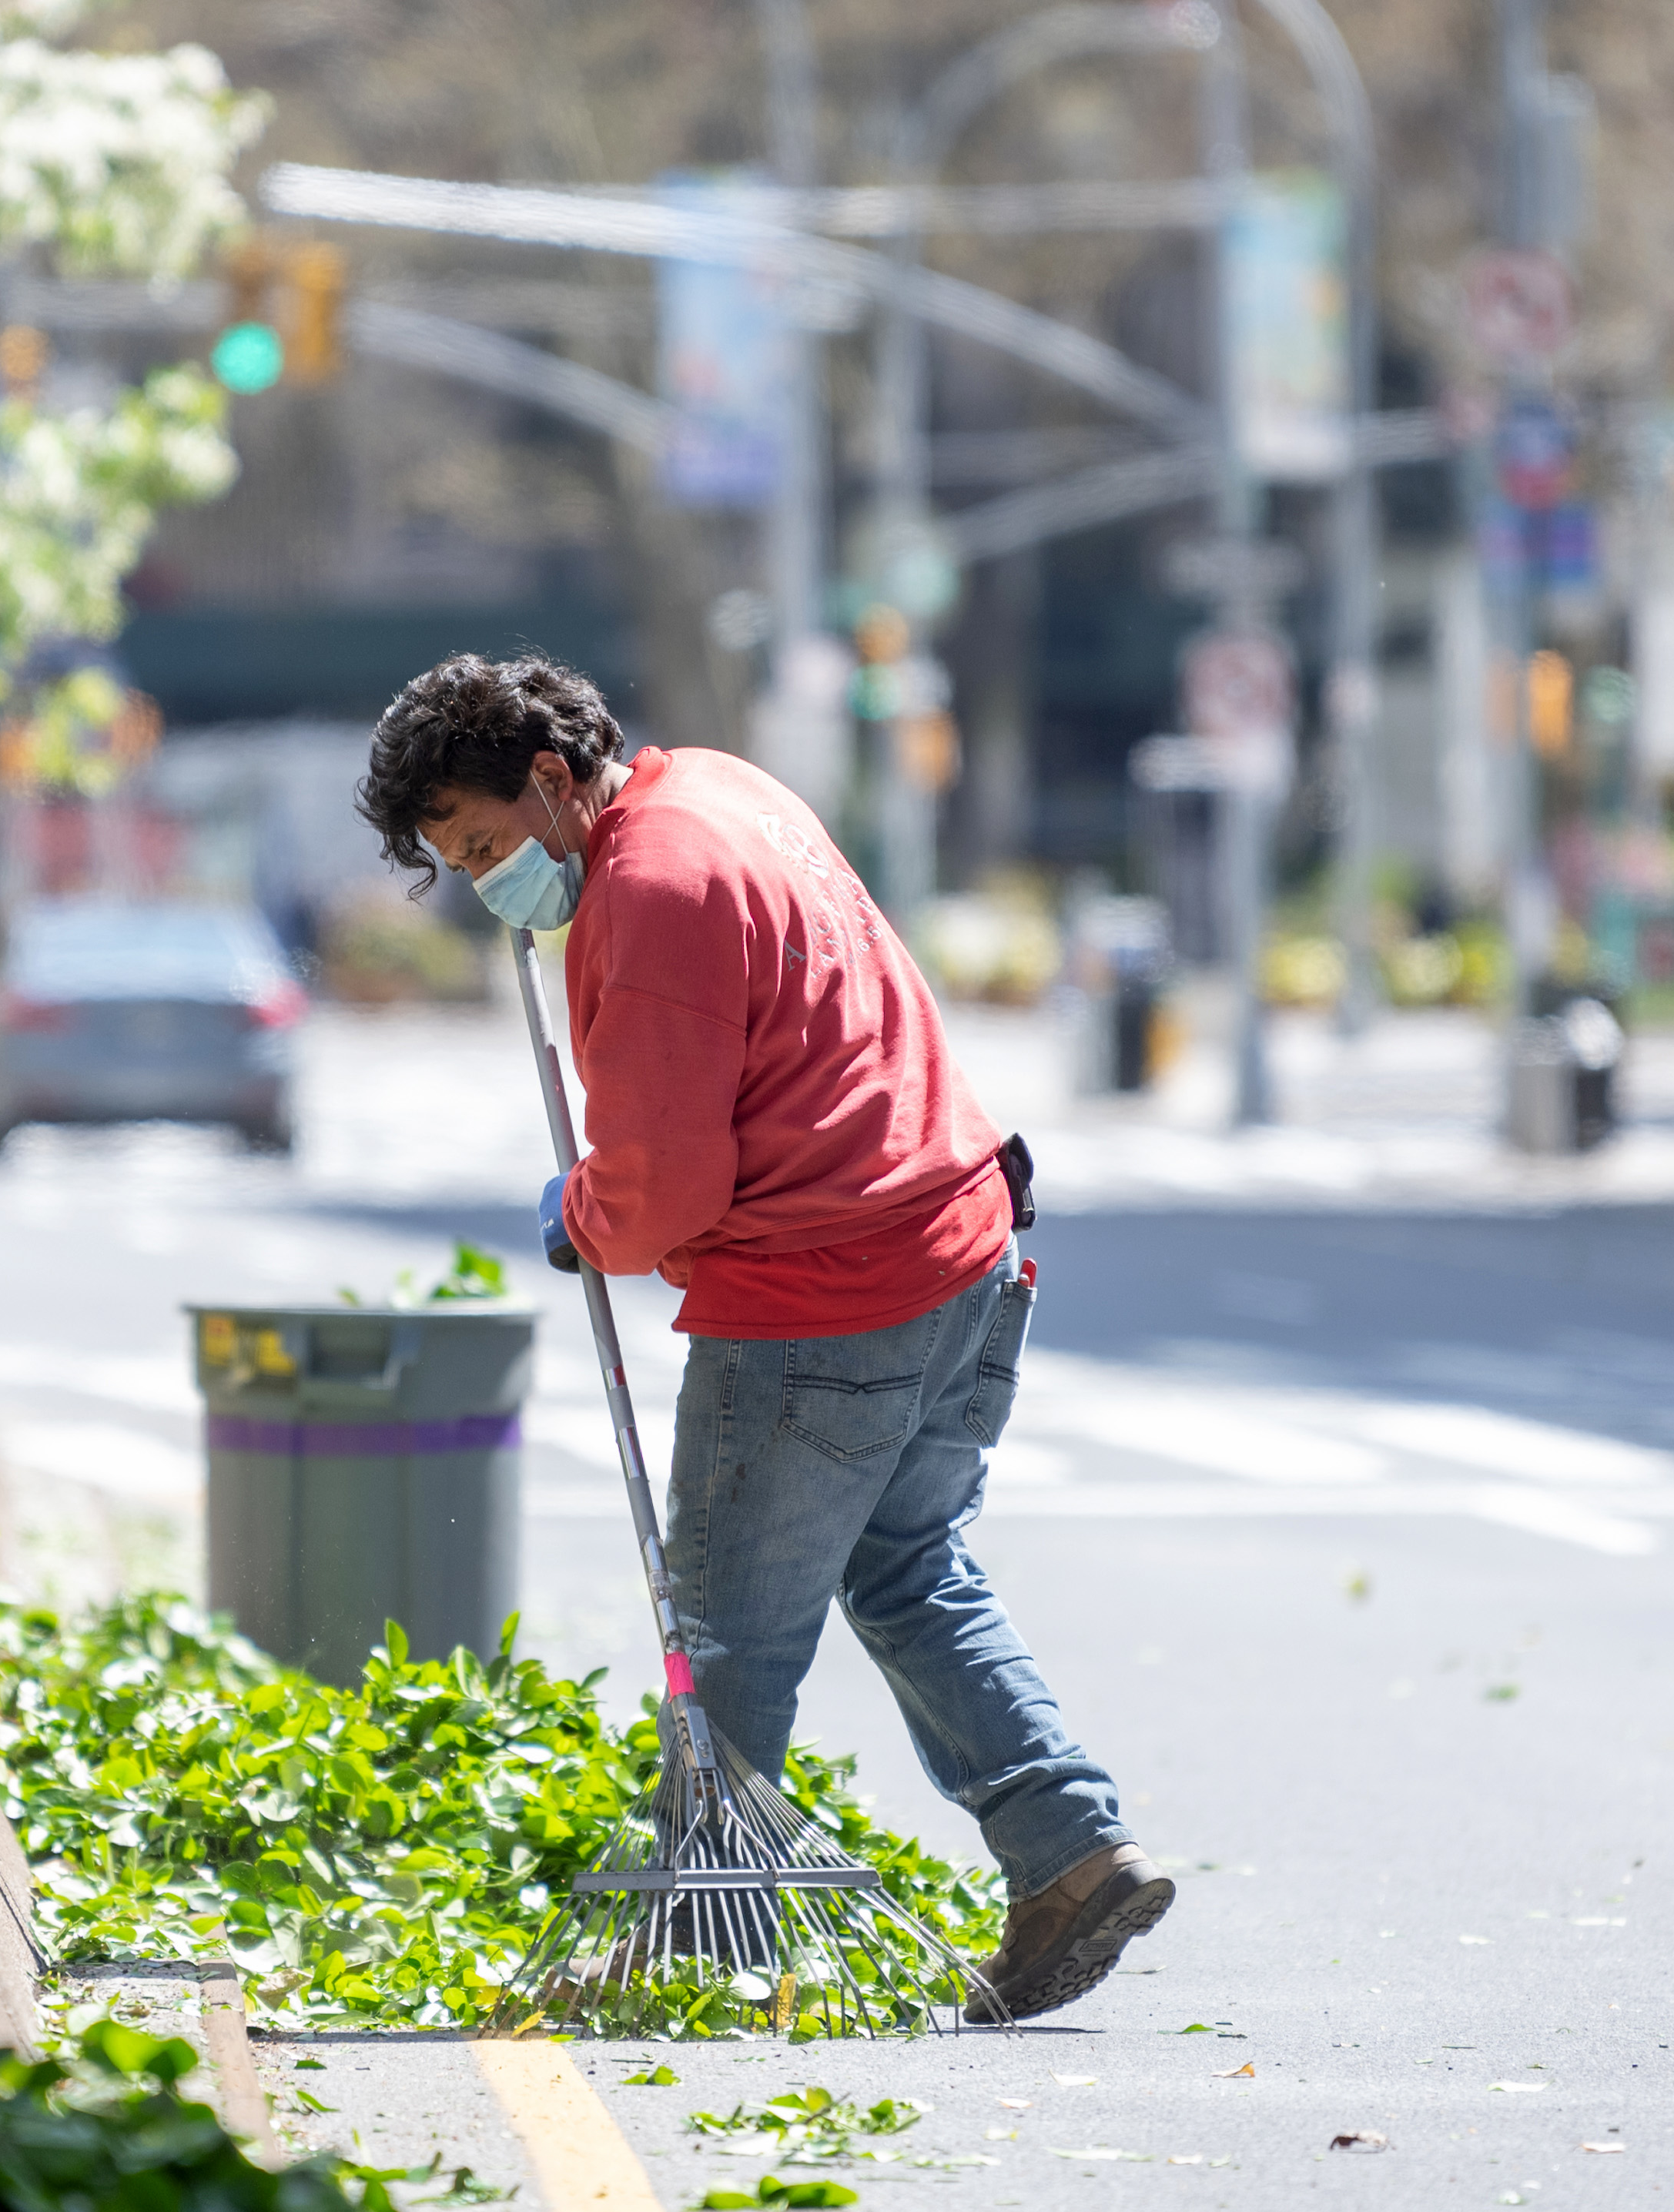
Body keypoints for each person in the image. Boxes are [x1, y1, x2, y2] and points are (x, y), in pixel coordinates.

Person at [353, 652, 1167, 2023]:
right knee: (905, 1568)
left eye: (488, 843)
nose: (490, 883)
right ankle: (1068, 1848)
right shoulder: (724, 792)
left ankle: (700, 1942)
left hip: (819, 1303)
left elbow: (663, 1184)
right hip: (963, 1248)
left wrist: (580, 1214)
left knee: (722, 1633)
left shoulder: (647, 891)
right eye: (457, 864)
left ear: (552, 778)